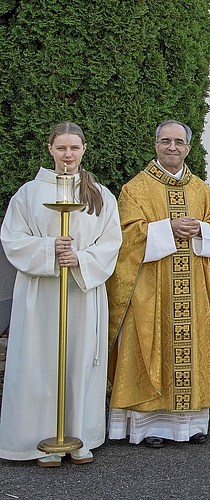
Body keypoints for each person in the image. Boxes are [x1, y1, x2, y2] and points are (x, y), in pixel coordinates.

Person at [107, 120, 210, 448]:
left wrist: (203, 231)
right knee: (149, 346)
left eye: (179, 142)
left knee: (190, 348)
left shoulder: (202, 190)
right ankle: (149, 426)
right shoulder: (135, 189)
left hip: (193, 290)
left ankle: (189, 425)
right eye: (166, 141)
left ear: (188, 148)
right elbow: (124, 236)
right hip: (151, 289)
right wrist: (167, 228)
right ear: (156, 145)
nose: (172, 147)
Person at [0, 122, 122, 466]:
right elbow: (13, 239)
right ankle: (35, 438)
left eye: (74, 148)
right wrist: (49, 249)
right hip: (41, 293)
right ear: (50, 149)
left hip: (82, 292)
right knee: (39, 361)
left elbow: (111, 243)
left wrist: (80, 258)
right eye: (62, 148)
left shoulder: (99, 194)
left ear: (84, 150)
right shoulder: (28, 194)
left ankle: (78, 435)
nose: (68, 155)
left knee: (79, 360)